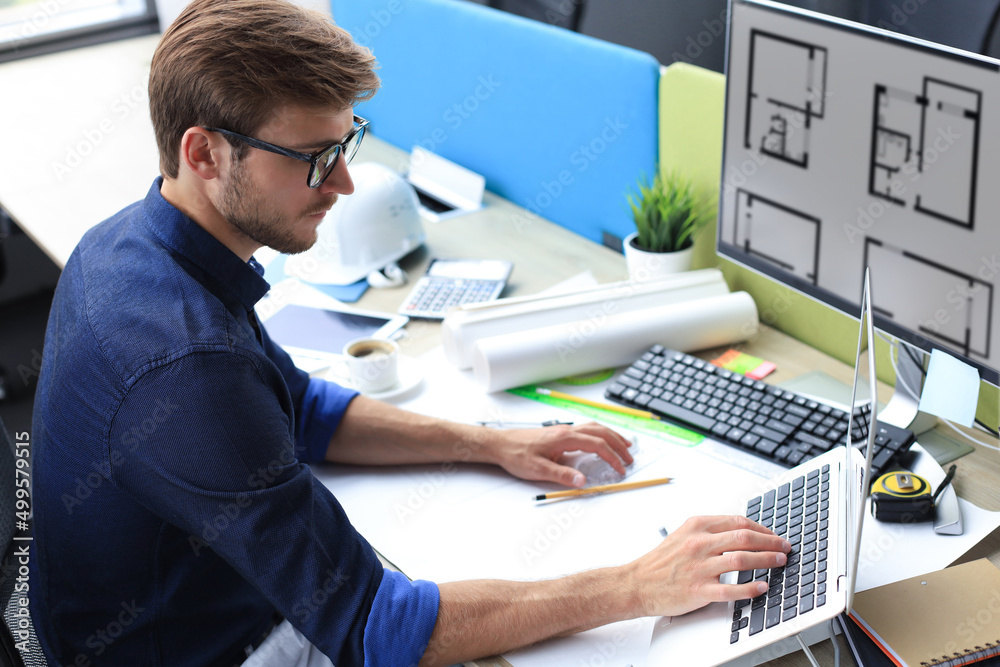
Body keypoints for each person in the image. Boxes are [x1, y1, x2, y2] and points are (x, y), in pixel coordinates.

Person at [29, 1, 790, 665]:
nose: (345, 183)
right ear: (204, 152)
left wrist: (490, 442)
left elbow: (302, 409)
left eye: (346, 143)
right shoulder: (185, 366)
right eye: (315, 158)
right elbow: (374, 630)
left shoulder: (136, 239)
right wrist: (634, 583)